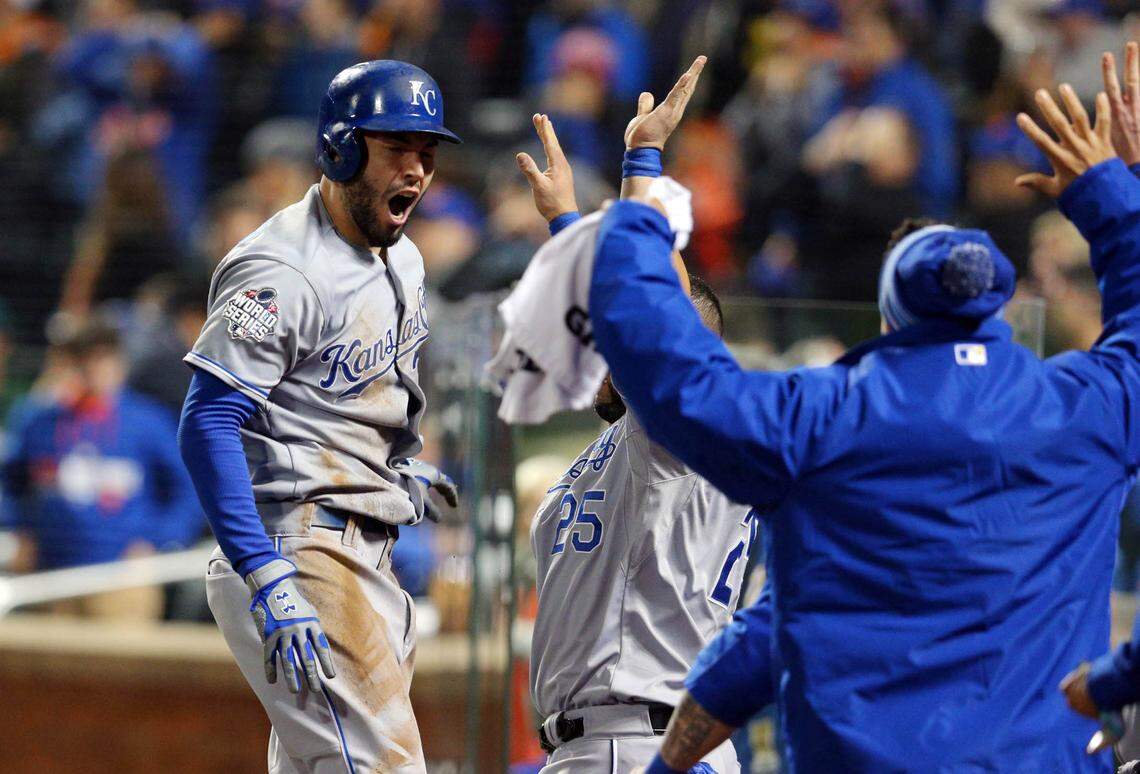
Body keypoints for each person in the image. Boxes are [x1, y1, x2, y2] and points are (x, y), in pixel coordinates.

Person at [593, 57, 1137, 771]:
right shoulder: (1085, 411)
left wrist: (640, 187)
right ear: (995, 309)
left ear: (888, 319)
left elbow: (663, 364)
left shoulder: (821, 417)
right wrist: (1113, 197)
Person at [177, 61, 460, 773]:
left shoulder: (405, 260)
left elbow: (346, 398)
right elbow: (207, 422)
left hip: (368, 551)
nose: (419, 170)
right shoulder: (280, 268)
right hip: (301, 549)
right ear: (342, 147)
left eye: (427, 153)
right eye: (399, 149)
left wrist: (393, 467)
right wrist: (264, 572)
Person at [514, 103, 752, 773]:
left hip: (647, 737)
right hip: (595, 743)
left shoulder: (681, 431)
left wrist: (636, 169)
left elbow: (643, 315)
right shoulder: (620, 450)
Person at [3, 318, 201, 619]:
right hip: (51, 578)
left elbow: (189, 487)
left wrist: (160, 540)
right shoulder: (40, 421)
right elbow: (9, 481)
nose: (92, 369)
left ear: (119, 363)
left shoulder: (146, 421)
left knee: (122, 662)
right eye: (83, 360)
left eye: (102, 359)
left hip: (122, 578)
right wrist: (18, 530)